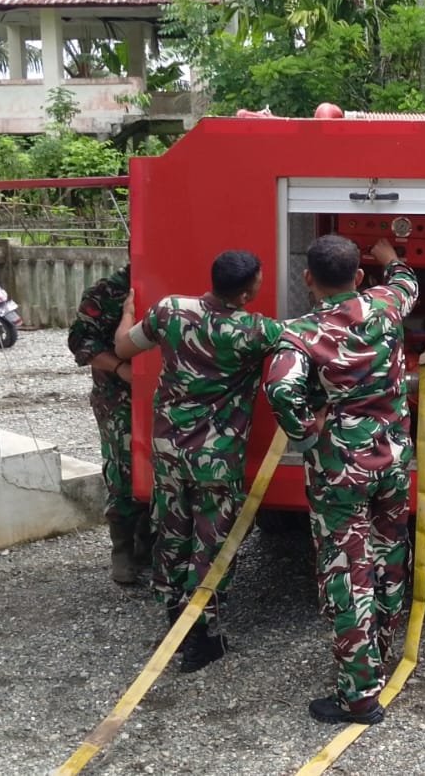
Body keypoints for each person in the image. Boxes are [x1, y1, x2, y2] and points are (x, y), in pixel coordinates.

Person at [265, 235, 416, 726]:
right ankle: (383, 652)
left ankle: (359, 696)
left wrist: (308, 438)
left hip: (341, 471)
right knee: (390, 553)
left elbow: (281, 388)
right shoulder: (386, 303)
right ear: (358, 277)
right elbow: (406, 279)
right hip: (393, 459)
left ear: (308, 280)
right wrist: (389, 254)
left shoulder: (300, 333)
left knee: (348, 572)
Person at [112, 250, 283, 673]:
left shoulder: (170, 310)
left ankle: (173, 618)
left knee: (172, 532)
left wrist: (128, 312)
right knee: (213, 542)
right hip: (217, 459)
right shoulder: (256, 330)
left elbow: (122, 346)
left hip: (169, 451)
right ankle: (202, 637)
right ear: (247, 292)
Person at [69, 262, 153, 585]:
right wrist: (120, 369)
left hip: (159, 396)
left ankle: (149, 547)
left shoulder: (169, 279)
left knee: (158, 468)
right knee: (125, 469)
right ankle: (124, 552)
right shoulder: (106, 292)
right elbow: (81, 343)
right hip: (118, 398)